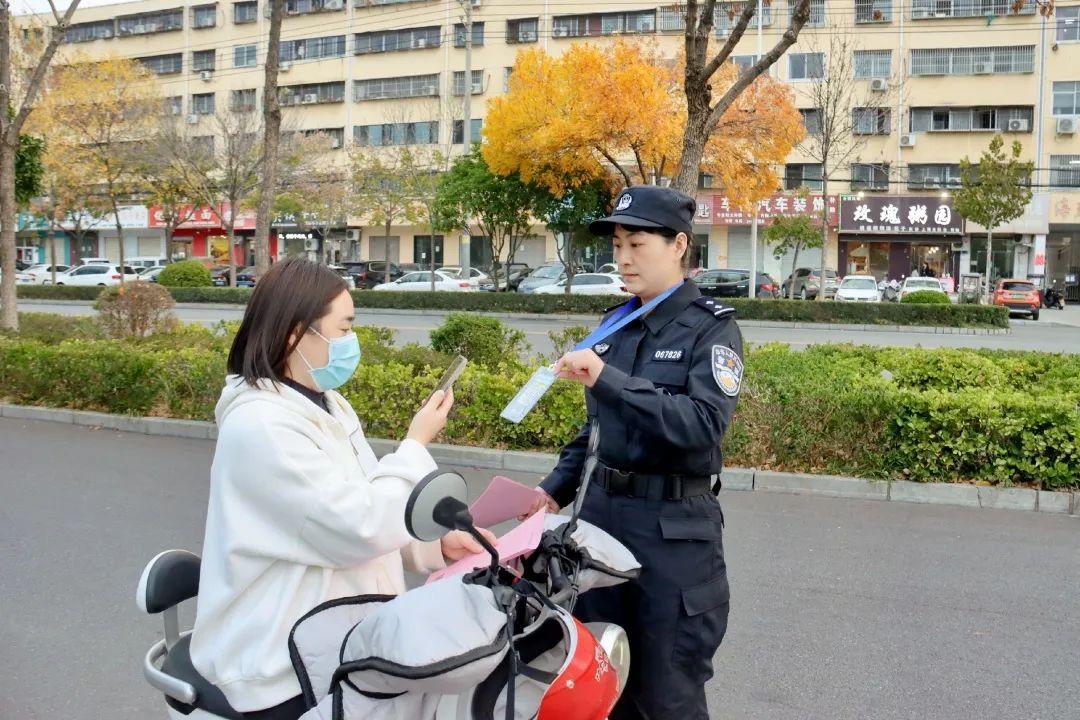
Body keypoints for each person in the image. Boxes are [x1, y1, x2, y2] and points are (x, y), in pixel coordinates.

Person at [190, 258, 491, 719]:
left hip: (339, 638)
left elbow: (364, 498)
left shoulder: (328, 404)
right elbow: (357, 527)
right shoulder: (261, 426)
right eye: (344, 327)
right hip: (280, 662)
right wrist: (414, 444)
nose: (352, 341)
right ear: (295, 333)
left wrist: (432, 546)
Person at [524, 186, 743, 719]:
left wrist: (609, 380)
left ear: (678, 246)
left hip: (673, 534)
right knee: (601, 682)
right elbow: (598, 425)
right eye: (618, 244)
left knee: (668, 694)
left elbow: (702, 425)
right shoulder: (614, 323)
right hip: (601, 523)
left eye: (637, 244)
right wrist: (553, 489)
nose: (622, 258)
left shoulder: (712, 329)